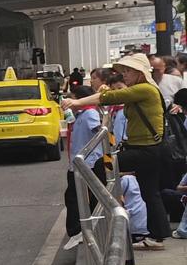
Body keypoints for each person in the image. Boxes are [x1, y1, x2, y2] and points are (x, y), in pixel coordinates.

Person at [65, 53, 169, 248]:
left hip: (146, 149)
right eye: (124, 71)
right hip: (146, 148)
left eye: (128, 71)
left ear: (140, 73)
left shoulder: (145, 89)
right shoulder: (140, 90)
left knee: (101, 165)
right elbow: (111, 95)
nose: (124, 75)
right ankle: (157, 236)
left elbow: (110, 97)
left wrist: (76, 102)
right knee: (149, 192)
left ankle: (106, 207)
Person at [63, 68, 107, 249]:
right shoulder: (80, 114)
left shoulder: (89, 114)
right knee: (74, 196)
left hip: (87, 164)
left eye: (72, 99)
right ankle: (81, 230)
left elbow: (99, 131)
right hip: (78, 163)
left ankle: (79, 231)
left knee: (76, 197)